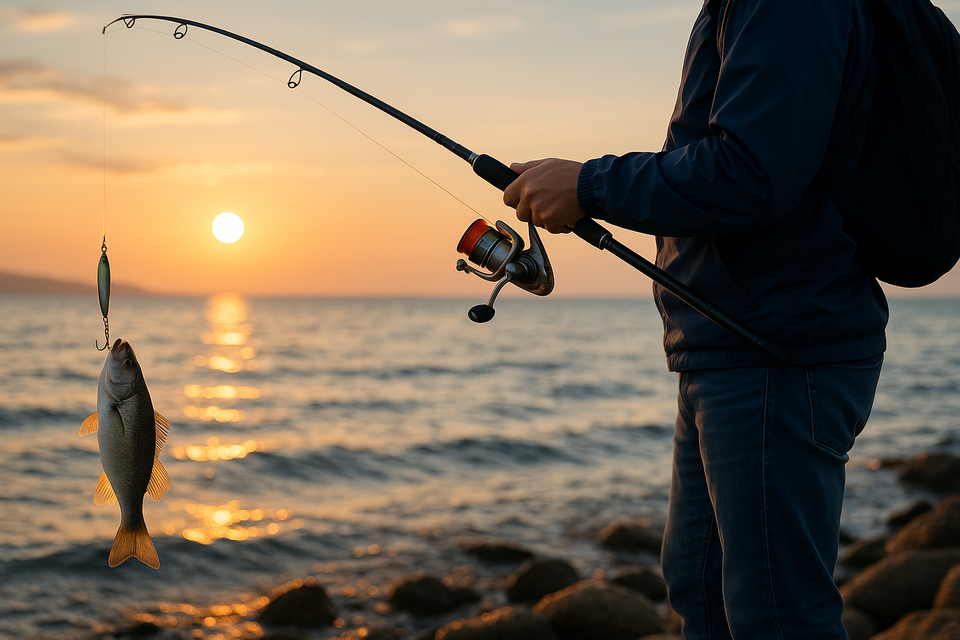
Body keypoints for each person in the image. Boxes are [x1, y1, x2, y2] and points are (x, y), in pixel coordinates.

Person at [503, 1, 887, 638]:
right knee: (700, 588)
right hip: (729, 341)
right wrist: (574, 184)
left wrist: (589, 186)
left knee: (776, 615)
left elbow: (751, 173)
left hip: (775, 350)